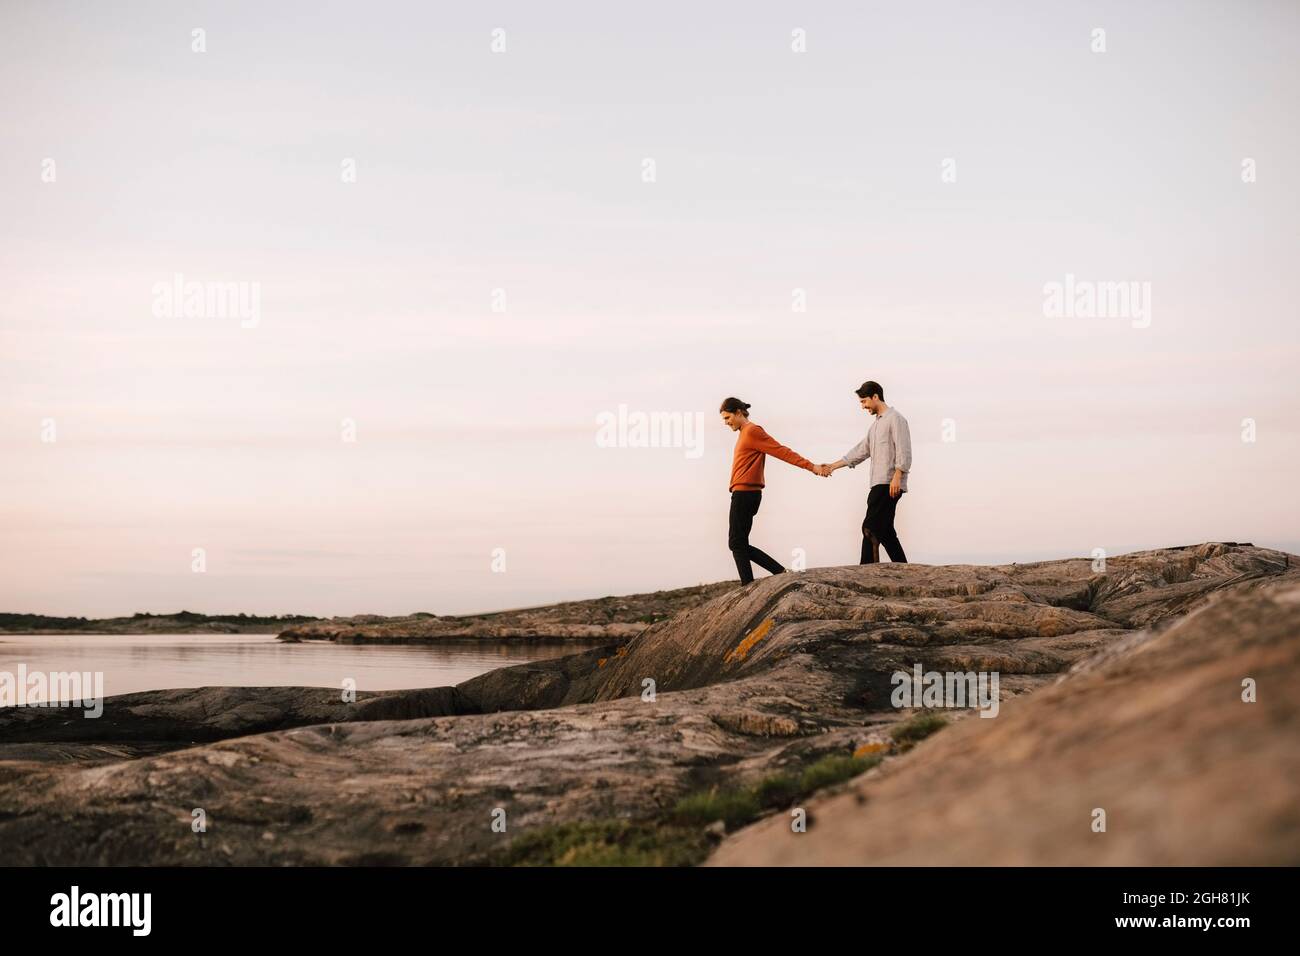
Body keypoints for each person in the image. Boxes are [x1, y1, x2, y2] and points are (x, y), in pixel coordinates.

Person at [720, 397, 822, 584]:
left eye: (727, 418)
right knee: (738, 543)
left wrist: (812, 467)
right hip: (743, 493)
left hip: (745, 494)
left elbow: (781, 451)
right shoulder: (744, 432)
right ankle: (778, 573)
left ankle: (750, 584)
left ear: (738, 412)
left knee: (736, 543)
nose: (726, 423)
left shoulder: (752, 431)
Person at [815, 380, 911, 563]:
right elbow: (861, 451)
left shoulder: (896, 419)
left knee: (870, 528)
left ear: (876, 396)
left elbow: (904, 449)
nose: (863, 406)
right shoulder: (875, 426)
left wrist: (898, 475)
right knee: (886, 531)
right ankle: (903, 568)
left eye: (864, 401)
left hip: (889, 483)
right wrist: (833, 466)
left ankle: (865, 569)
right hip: (878, 482)